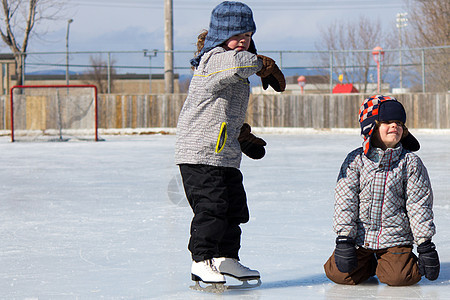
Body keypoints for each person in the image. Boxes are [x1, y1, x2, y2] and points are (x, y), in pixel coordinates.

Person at [175, 1, 285, 287]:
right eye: (237, 36)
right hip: (200, 152)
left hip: (224, 153)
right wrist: (263, 64)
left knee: (233, 208)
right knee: (211, 207)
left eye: (247, 35)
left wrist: (241, 134)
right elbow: (238, 63)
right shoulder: (214, 59)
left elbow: (221, 111)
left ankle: (226, 258)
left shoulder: (236, 65)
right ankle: (201, 260)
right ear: (221, 36)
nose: (243, 41)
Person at [324, 95, 440, 286]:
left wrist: (425, 245)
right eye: (387, 122)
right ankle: (370, 263)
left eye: (399, 122)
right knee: (338, 274)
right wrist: (344, 239)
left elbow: (419, 204)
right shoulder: (356, 161)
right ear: (372, 128)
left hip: (395, 237)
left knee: (400, 278)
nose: (394, 126)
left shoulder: (410, 163)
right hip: (360, 238)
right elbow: (345, 201)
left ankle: (390, 262)